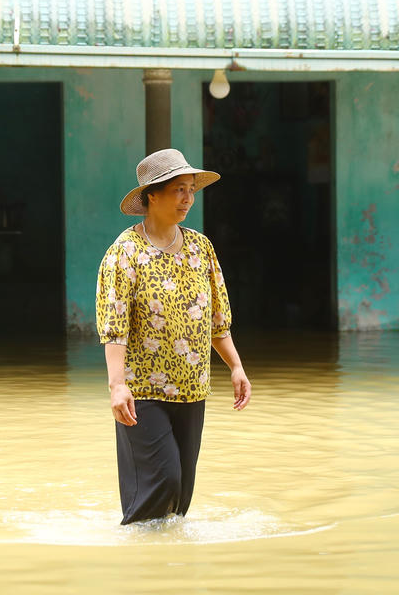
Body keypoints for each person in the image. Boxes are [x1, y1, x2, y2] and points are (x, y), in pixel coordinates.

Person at [96, 148, 251, 525]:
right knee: (161, 483)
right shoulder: (125, 253)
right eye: (178, 190)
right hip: (143, 391)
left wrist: (236, 366)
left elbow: (217, 319)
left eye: (190, 190)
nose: (187, 199)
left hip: (192, 387)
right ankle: (139, 567)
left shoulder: (201, 248)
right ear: (152, 196)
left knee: (180, 496)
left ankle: (169, 570)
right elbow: (113, 326)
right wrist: (117, 386)